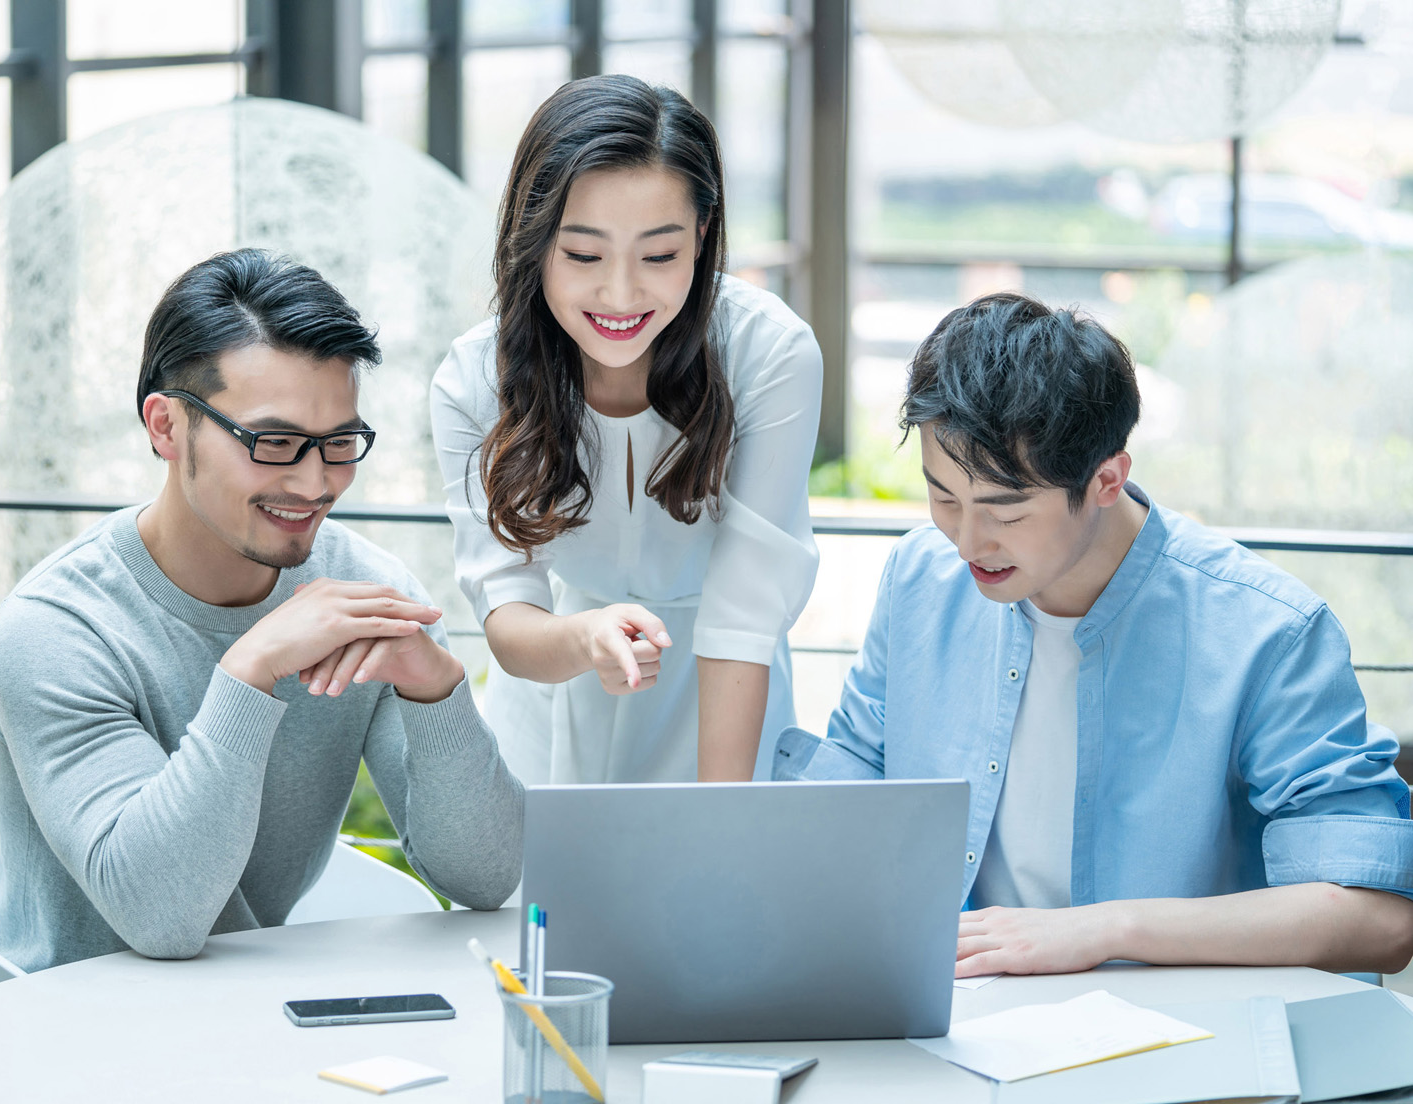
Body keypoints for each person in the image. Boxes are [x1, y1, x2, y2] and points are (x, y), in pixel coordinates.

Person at [775, 291, 1413, 977]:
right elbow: (846, 806)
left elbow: (1375, 917)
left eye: (1005, 510)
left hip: (1186, 1042)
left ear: (1107, 479)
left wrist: (1109, 929)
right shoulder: (919, 580)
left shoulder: (1269, 632)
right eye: (942, 497)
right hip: (967, 1020)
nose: (966, 540)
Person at [0, 249, 523, 972]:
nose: (314, 482)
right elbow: (161, 919)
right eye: (273, 443)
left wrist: (436, 690)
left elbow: (485, 878)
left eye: (339, 443)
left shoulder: (367, 593)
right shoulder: (57, 629)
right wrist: (249, 669)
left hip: (250, 1016)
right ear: (167, 427)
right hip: (68, 1036)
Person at [431, 74, 821, 785]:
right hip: (555, 688)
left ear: (703, 235)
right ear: (535, 238)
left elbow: (742, 617)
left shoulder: (770, 355)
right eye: (582, 255)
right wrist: (583, 639)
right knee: (550, 893)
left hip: (725, 698)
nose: (619, 294)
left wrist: (717, 823)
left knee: (718, 884)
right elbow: (508, 611)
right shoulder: (475, 380)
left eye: (659, 255)